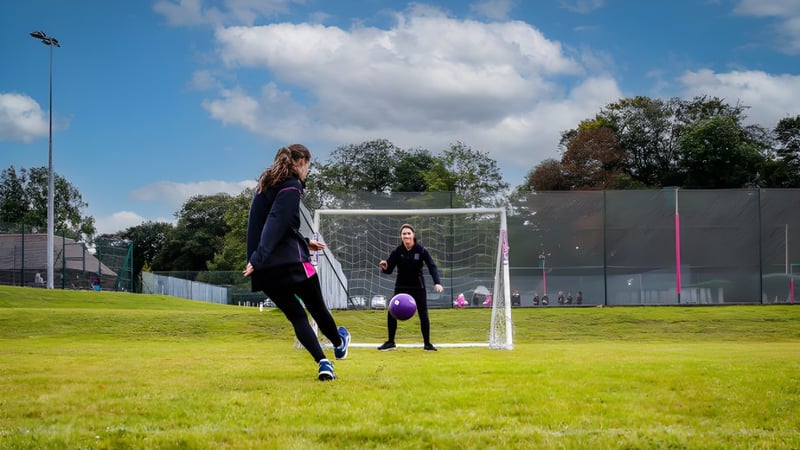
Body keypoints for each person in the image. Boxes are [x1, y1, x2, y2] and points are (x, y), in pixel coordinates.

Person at [243, 144, 350, 381]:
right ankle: (339, 341)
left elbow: (272, 226)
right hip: (289, 262)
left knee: (297, 317)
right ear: (302, 162)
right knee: (317, 308)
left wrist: (302, 241)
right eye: (308, 167)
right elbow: (276, 223)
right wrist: (258, 258)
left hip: (266, 270)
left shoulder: (264, 187)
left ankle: (323, 362)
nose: (307, 172)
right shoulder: (291, 186)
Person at [378, 224, 444, 352]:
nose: (406, 236)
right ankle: (391, 342)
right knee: (391, 313)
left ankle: (427, 344)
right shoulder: (397, 252)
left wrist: (437, 282)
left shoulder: (421, 250)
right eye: (404, 234)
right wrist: (384, 267)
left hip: (418, 287)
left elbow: (432, 266)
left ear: (413, 235)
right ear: (401, 236)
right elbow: (389, 269)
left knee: (423, 314)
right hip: (401, 287)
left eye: (408, 233)